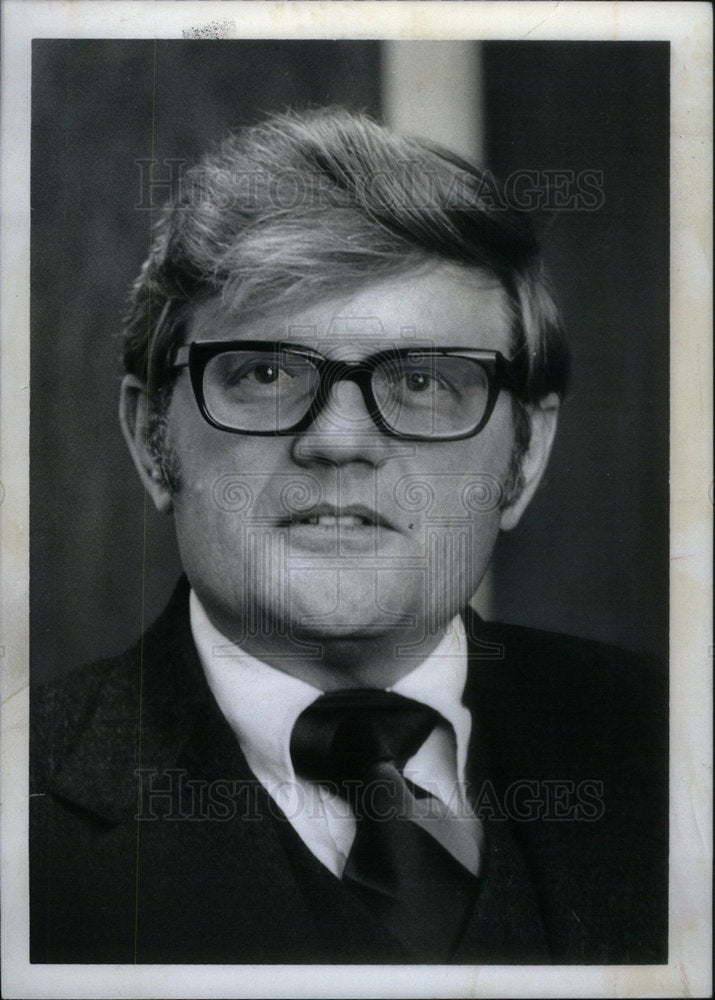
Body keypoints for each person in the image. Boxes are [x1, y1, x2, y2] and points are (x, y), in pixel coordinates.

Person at [30, 108, 667, 965]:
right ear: (153, 438)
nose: (337, 439)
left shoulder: (674, 744)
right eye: (263, 373)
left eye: (422, 380)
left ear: (525, 455)